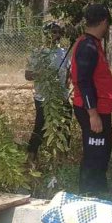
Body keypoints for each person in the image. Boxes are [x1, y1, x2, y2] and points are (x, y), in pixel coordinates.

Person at [70, 4, 112, 194]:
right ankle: (89, 194)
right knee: (94, 155)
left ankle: (99, 191)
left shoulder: (92, 44)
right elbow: (83, 81)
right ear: (104, 22)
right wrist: (93, 114)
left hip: (99, 110)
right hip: (92, 110)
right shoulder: (87, 46)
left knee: (102, 153)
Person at [24, 22, 71, 169]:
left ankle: (61, 160)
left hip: (60, 97)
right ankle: (31, 157)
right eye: (52, 32)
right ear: (45, 35)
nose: (56, 35)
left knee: (65, 125)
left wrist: (66, 83)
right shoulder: (37, 53)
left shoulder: (63, 53)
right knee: (40, 127)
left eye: (58, 32)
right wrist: (43, 74)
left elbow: (68, 72)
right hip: (43, 98)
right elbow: (28, 75)